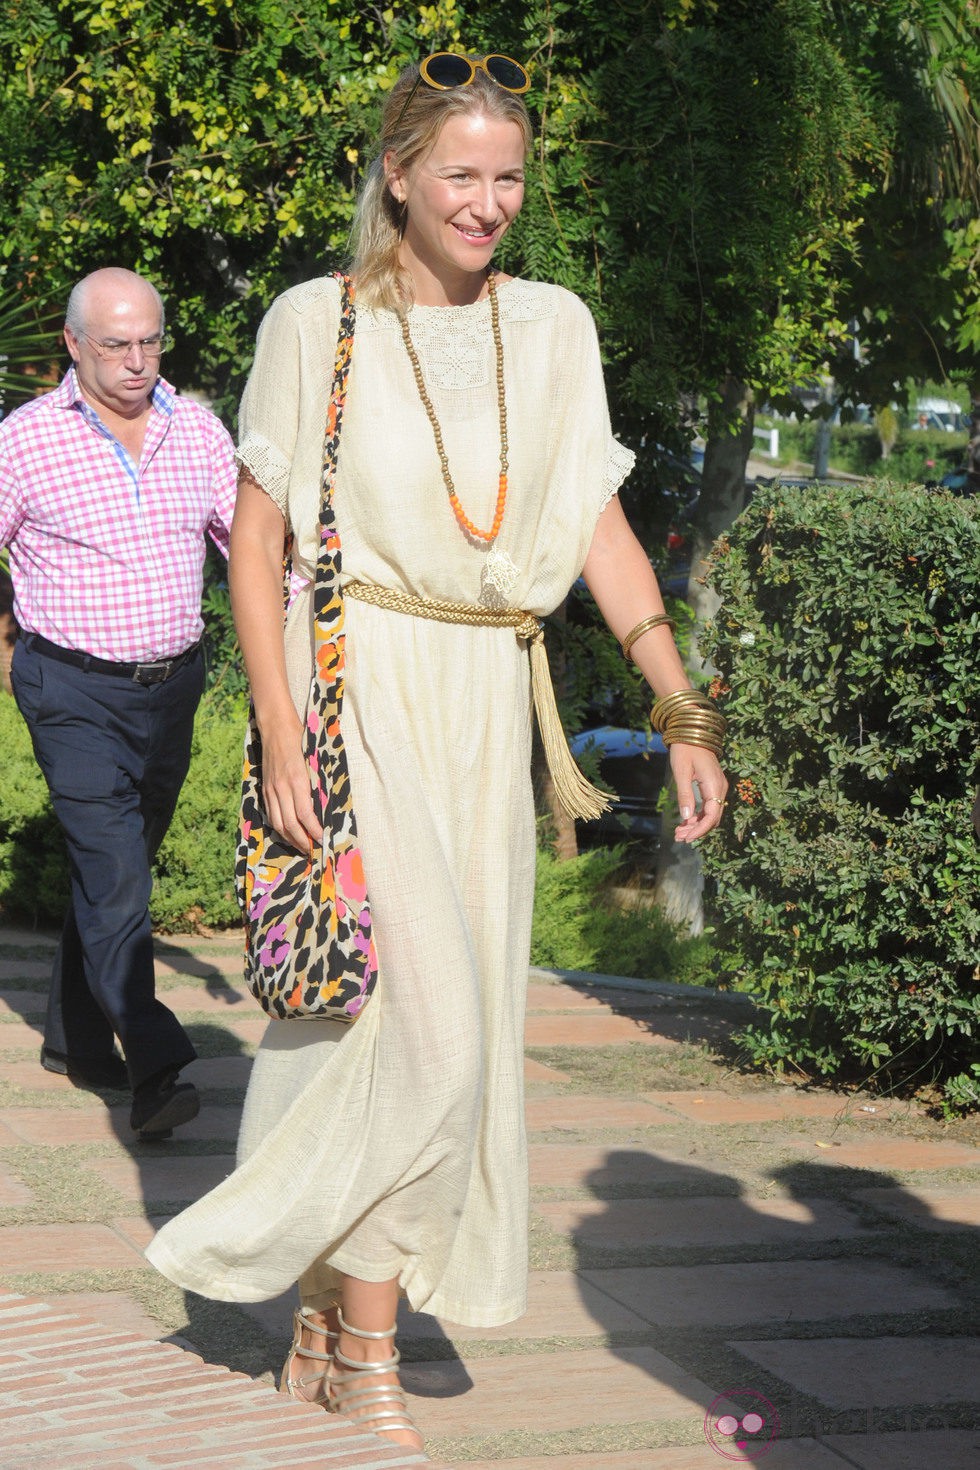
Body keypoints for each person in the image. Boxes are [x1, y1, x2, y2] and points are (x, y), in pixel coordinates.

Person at [146, 53, 727, 1451]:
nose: (488, 201)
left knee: (436, 1033)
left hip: (488, 699)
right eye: (459, 172)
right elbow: (263, 541)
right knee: (429, 1040)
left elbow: (595, 527)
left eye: (509, 175)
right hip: (362, 693)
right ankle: (363, 1338)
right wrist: (282, 727)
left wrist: (679, 703)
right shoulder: (316, 320)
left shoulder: (559, 329)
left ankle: (336, 1310)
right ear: (398, 173)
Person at [0, 267, 237, 1139]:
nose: (138, 362)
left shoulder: (199, 430)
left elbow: (244, 548)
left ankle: (75, 1040)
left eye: (149, 342)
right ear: (73, 344)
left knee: (117, 870)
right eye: (116, 344)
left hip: (172, 687)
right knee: (116, 876)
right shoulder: (24, 441)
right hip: (70, 689)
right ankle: (154, 1061)